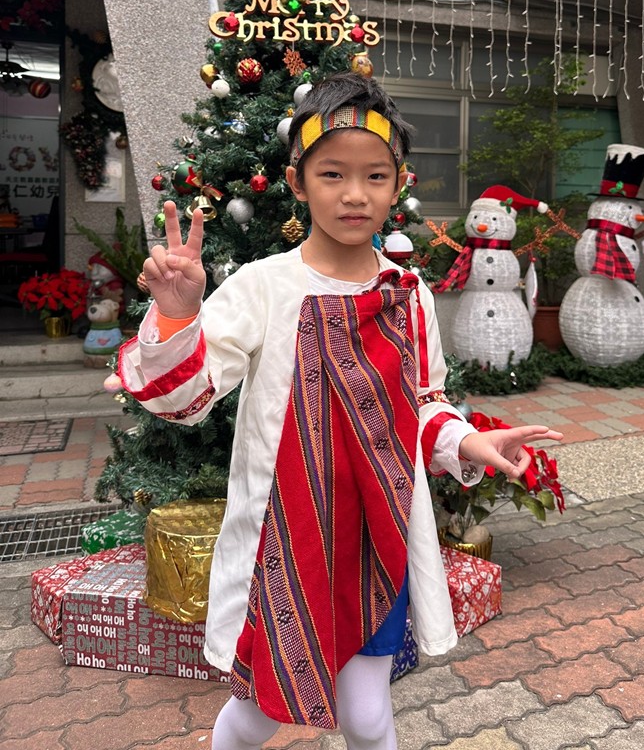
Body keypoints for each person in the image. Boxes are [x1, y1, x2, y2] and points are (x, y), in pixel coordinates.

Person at [117, 73, 563, 750]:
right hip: (287, 541)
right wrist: (179, 315)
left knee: (367, 716)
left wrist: (467, 443)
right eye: (332, 174)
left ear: (397, 184)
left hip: (376, 534)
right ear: (296, 183)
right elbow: (186, 399)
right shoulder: (264, 286)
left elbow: (423, 403)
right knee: (260, 712)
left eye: (375, 176)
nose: (355, 194)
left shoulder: (409, 293)